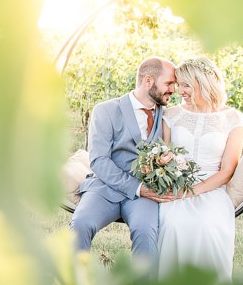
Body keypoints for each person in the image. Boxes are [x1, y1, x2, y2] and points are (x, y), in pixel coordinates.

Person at [147, 57, 243, 282]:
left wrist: (194, 191)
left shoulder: (232, 119)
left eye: (185, 85)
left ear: (202, 82)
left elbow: (228, 170)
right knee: (172, 223)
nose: (179, 91)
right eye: (178, 85)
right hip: (176, 186)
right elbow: (164, 153)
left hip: (212, 189)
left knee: (207, 225)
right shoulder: (172, 115)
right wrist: (169, 176)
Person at [70, 56, 177, 258]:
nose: (173, 90)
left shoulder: (170, 116)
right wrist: (137, 188)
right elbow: (99, 161)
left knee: (146, 232)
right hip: (105, 188)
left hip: (145, 195)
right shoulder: (106, 110)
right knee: (80, 224)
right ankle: (72, 284)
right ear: (148, 81)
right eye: (169, 83)